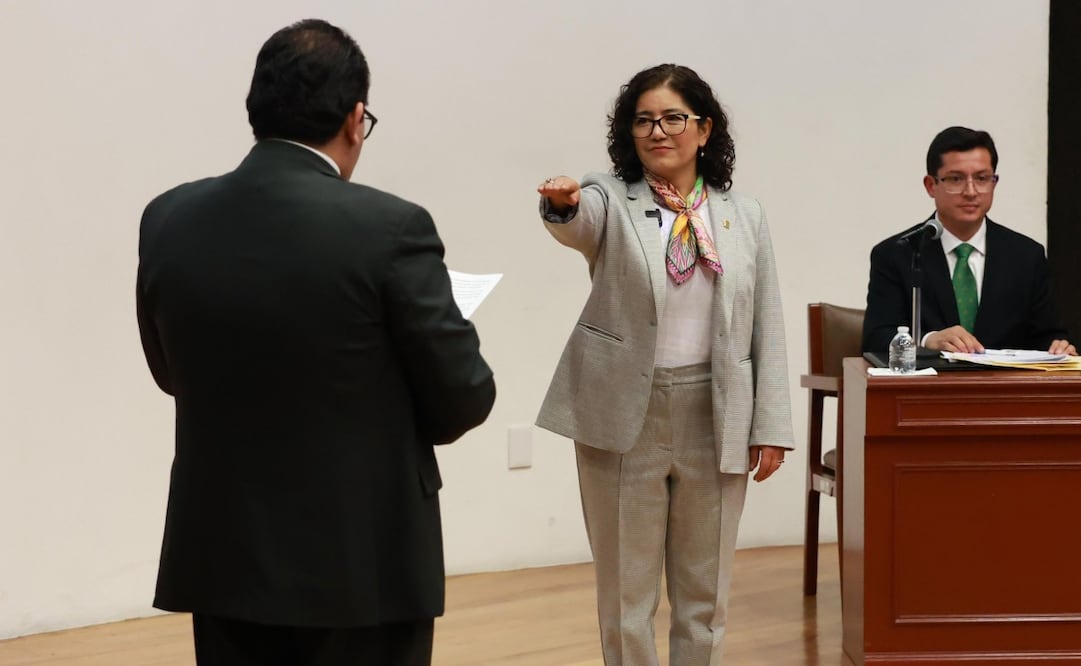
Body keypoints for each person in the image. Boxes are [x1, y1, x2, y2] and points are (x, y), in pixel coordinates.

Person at [136, 19, 495, 666]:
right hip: (359, 564)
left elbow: (170, 371)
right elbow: (462, 398)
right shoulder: (389, 227)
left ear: (257, 108)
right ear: (356, 118)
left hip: (222, 554)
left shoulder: (168, 217)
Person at [534, 64, 793, 666]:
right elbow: (580, 223)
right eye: (644, 119)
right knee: (627, 596)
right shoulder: (609, 197)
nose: (657, 131)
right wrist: (562, 206)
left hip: (717, 411)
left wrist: (772, 426)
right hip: (627, 412)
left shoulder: (743, 215)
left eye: (673, 118)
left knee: (705, 598)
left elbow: (767, 326)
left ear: (704, 129)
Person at [862, 126, 1074, 355]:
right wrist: (928, 340)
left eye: (982, 178)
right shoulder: (899, 253)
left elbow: (1047, 336)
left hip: (1003, 388)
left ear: (994, 182)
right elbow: (876, 338)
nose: (971, 191)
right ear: (931, 185)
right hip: (930, 388)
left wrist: (1058, 347)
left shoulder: (1026, 255)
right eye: (956, 179)